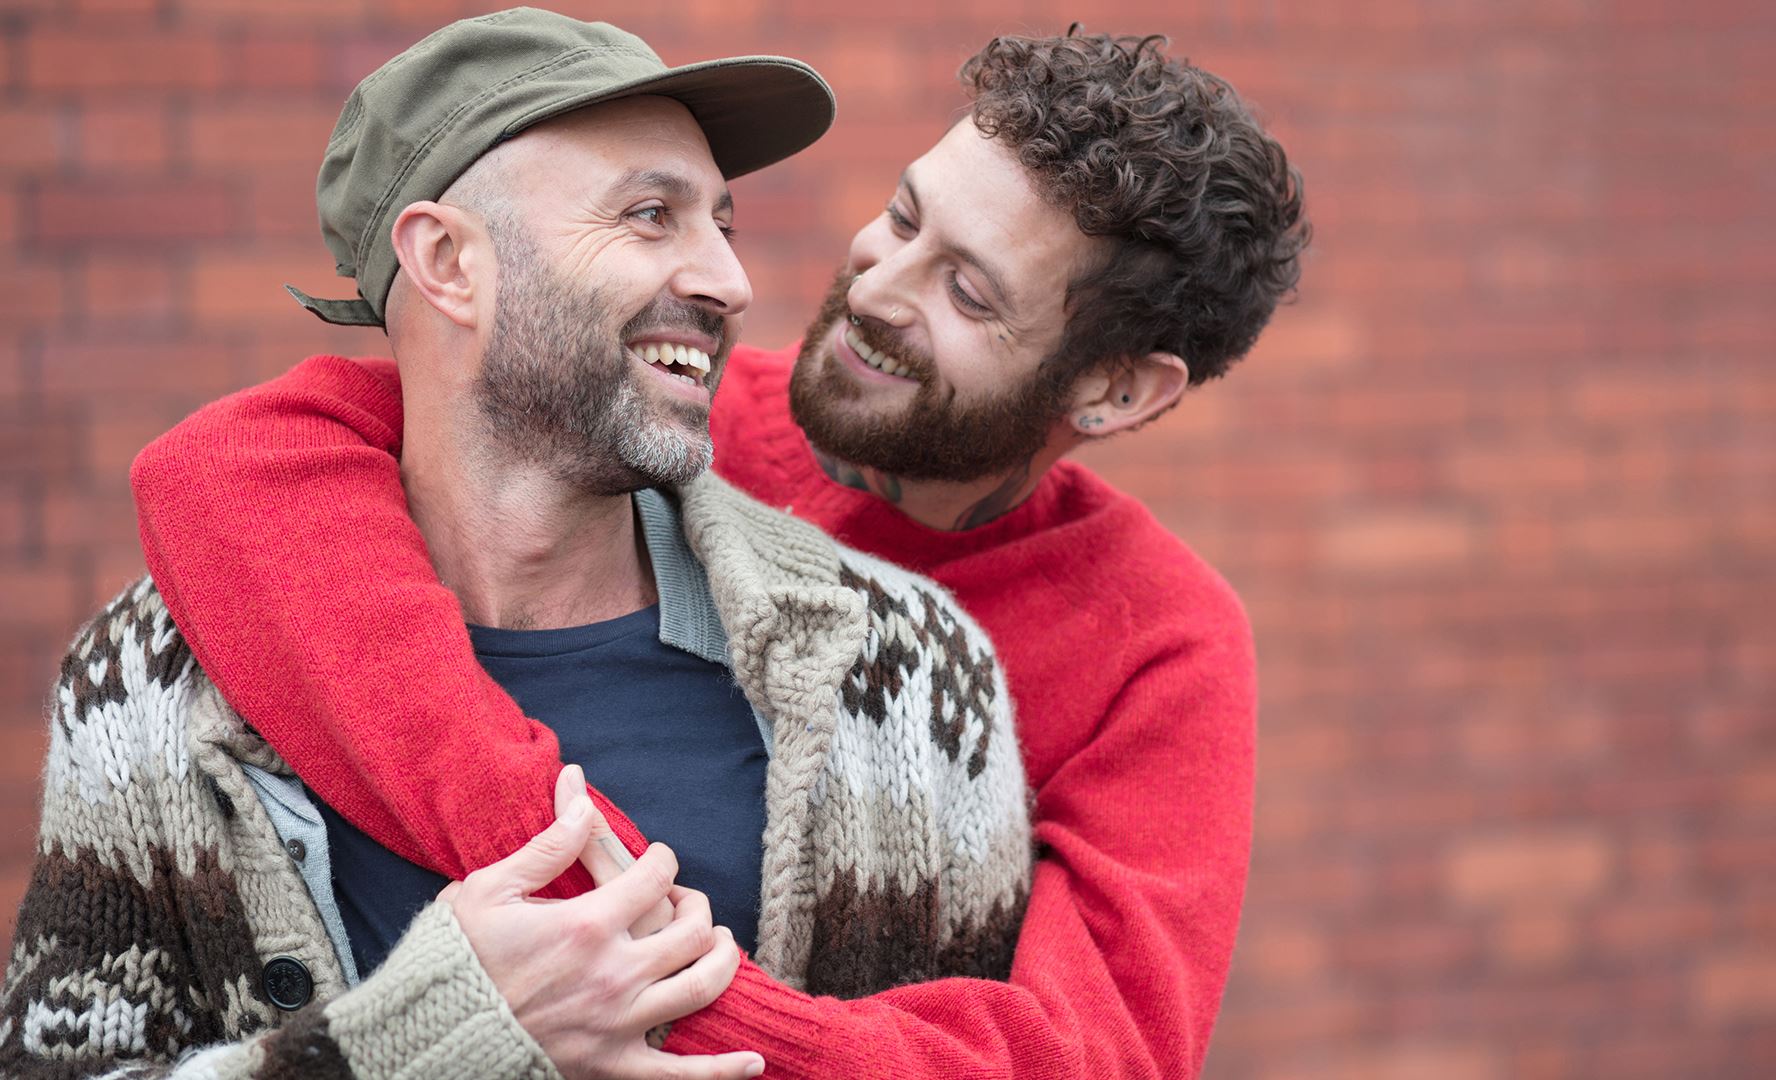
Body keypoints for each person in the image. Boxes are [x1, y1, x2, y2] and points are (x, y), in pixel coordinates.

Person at [124, 24, 1309, 1080]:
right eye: (904, 218)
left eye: (969, 292)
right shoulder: (653, 426)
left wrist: (682, 1008)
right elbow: (225, 467)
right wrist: (563, 882)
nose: (880, 289)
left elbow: (1098, 1055)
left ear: (1115, 390)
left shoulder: (1161, 643)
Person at [0, 10, 1033, 1079]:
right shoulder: (158, 682)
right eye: (651, 215)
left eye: (722, 223)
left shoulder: (899, 671)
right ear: (449, 261)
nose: (729, 281)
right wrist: (421, 1044)